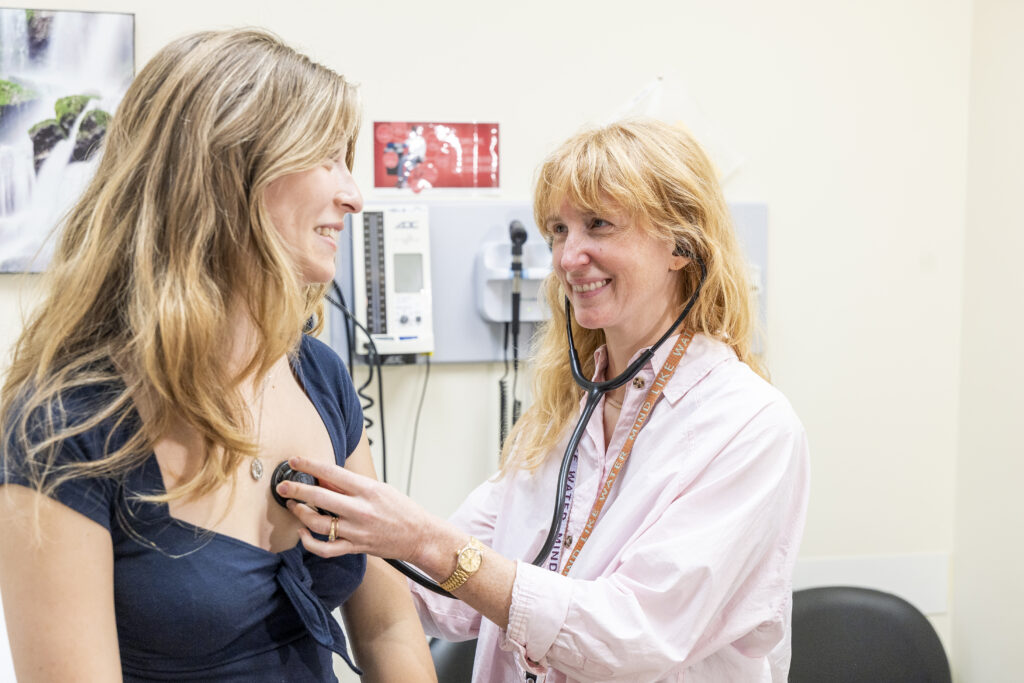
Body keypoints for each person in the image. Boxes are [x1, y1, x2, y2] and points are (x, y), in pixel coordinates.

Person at [279, 118, 810, 681]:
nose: (567, 257)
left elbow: (633, 638)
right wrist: (306, 534)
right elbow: (440, 598)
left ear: (681, 244)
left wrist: (426, 541)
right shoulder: (566, 415)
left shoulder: (749, 427)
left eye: (598, 225)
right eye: (558, 230)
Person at [0, 29, 435, 682]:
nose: (354, 194)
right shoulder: (68, 425)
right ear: (230, 172)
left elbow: (390, 627)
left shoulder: (320, 377)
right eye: (326, 157)